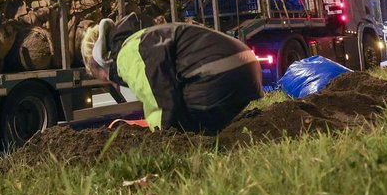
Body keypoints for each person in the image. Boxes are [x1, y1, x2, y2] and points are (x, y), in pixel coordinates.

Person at [80, 13, 263, 134]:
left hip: (219, 74)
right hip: (245, 66)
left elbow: (160, 98)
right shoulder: (144, 37)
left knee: (180, 120)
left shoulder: (128, 54)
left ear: (104, 62)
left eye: (105, 78)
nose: (112, 82)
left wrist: (163, 137)